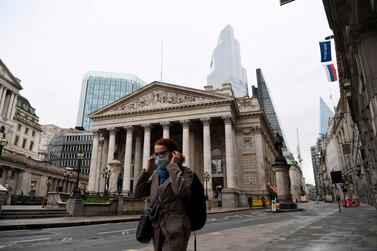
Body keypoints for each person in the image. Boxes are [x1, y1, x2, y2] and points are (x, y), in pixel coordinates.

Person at [134, 138, 193, 251]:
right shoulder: (156, 174)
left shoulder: (185, 172)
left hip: (177, 225)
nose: (158, 157)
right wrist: (148, 171)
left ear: (173, 154)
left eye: (162, 154)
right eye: (156, 154)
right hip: (157, 227)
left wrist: (173, 166)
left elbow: (180, 191)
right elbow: (138, 193)